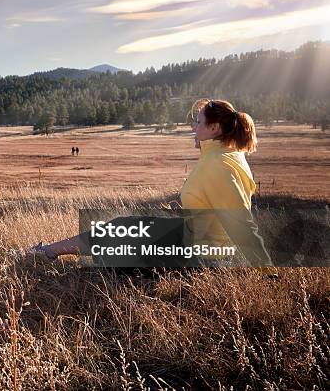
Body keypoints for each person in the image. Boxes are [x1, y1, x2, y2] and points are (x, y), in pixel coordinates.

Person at [32, 98, 276, 273]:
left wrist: (267, 271)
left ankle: (47, 253)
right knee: (124, 229)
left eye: (198, 122)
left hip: (203, 254)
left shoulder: (218, 164)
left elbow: (240, 221)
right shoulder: (228, 154)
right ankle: (50, 251)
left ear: (214, 128)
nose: (193, 128)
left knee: (118, 249)